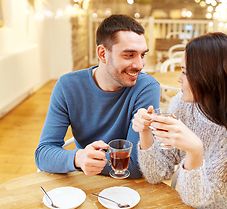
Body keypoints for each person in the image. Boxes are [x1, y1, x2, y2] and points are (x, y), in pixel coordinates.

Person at [133, 32, 227, 207]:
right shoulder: (183, 105)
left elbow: (196, 199)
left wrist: (195, 150)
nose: (179, 79)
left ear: (209, 77)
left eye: (185, 72)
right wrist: (145, 134)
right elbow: (155, 173)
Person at [35, 14, 160, 179]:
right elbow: (43, 154)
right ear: (102, 53)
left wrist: (79, 160)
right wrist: (78, 158)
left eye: (142, 55)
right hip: (85, 180)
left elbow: (134, 166)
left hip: (127, 188)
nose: (139, 65)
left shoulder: (147, 87)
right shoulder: (68, 86)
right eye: (129, 55)